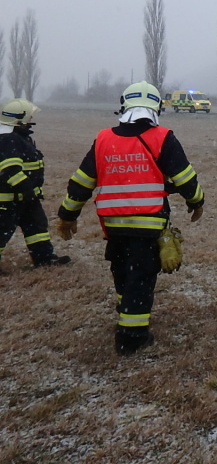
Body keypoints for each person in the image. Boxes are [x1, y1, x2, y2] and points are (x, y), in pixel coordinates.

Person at [56, 82, 205, 355]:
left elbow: (81, 183)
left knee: (123, 272)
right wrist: (197, 201)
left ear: (123, 106)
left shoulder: (103, 139)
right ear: (156, 108)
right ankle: (132, 337)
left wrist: (67, 215)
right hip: (148, 226)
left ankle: (125, 311)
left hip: (114, 227)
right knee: (141, 279)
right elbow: (185, 178)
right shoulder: (163, 137)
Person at [0, 99, 71, 271]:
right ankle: (43, 257)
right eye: (29, 116)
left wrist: (29, 194)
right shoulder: (8, 139)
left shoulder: (18, 137)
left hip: (25, 197)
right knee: (2, 230)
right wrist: (26, 190)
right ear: (20, 119)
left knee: (37, 227)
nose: (31, 119)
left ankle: (44, 258)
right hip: (9, 200)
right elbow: (10, 170)